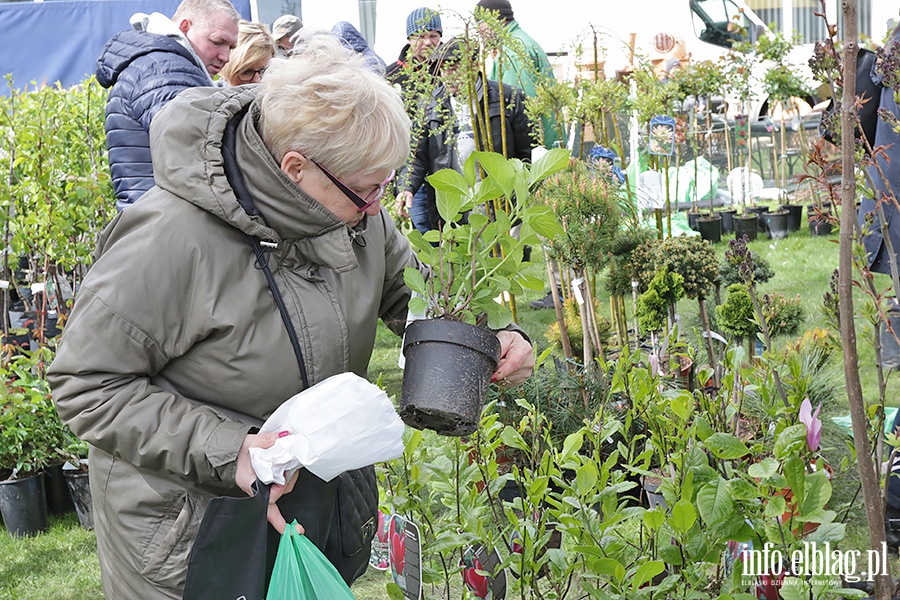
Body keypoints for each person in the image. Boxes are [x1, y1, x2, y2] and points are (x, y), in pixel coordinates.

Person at [48, 36, 534, 599]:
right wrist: (232, 449)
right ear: (295, 167)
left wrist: (489, 339)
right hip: (191, 528)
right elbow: (85, 384)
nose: (380, 205)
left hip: (310, 499)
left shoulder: (357, 211)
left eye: (385, 184)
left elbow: (414, 294)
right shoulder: (169, 239)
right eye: (366, 190)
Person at [96, 0, 240, 211]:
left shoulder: (157, 63)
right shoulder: (164, 69)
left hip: (154, 222)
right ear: (184, 27)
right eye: (217, 42)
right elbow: (199, 157)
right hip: (168, 226)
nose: (225, 56)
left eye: (231, 47)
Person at [397, 36, 534, 233]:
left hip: (500, 208)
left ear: (474, 64)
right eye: (443, 69)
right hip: (453, 211)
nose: (448, 75)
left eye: (454, 68)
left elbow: (527, 153)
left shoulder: (507, 99)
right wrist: (406, 188)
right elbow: (416, 155)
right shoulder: (430, 105)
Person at [387, 7, 444, 233]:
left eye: (433, 35)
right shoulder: (393, 76)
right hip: (411, 167)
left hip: (444, 165)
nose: (427, 42)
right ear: (409, 38)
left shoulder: (449, 71)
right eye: (421, 36)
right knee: (424, 230)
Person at [474, 0, 559, 149]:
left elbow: (517, 112)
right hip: (551, 146)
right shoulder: (523, 42)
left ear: (495, 20)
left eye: (480, 23)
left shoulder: (512, 54)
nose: (478, 31)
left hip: (539, 153)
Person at [219, 20, 276, 86]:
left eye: (265, 71)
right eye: (246, 72)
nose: (257, 81)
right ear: (223, 70)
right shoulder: (208, 94)